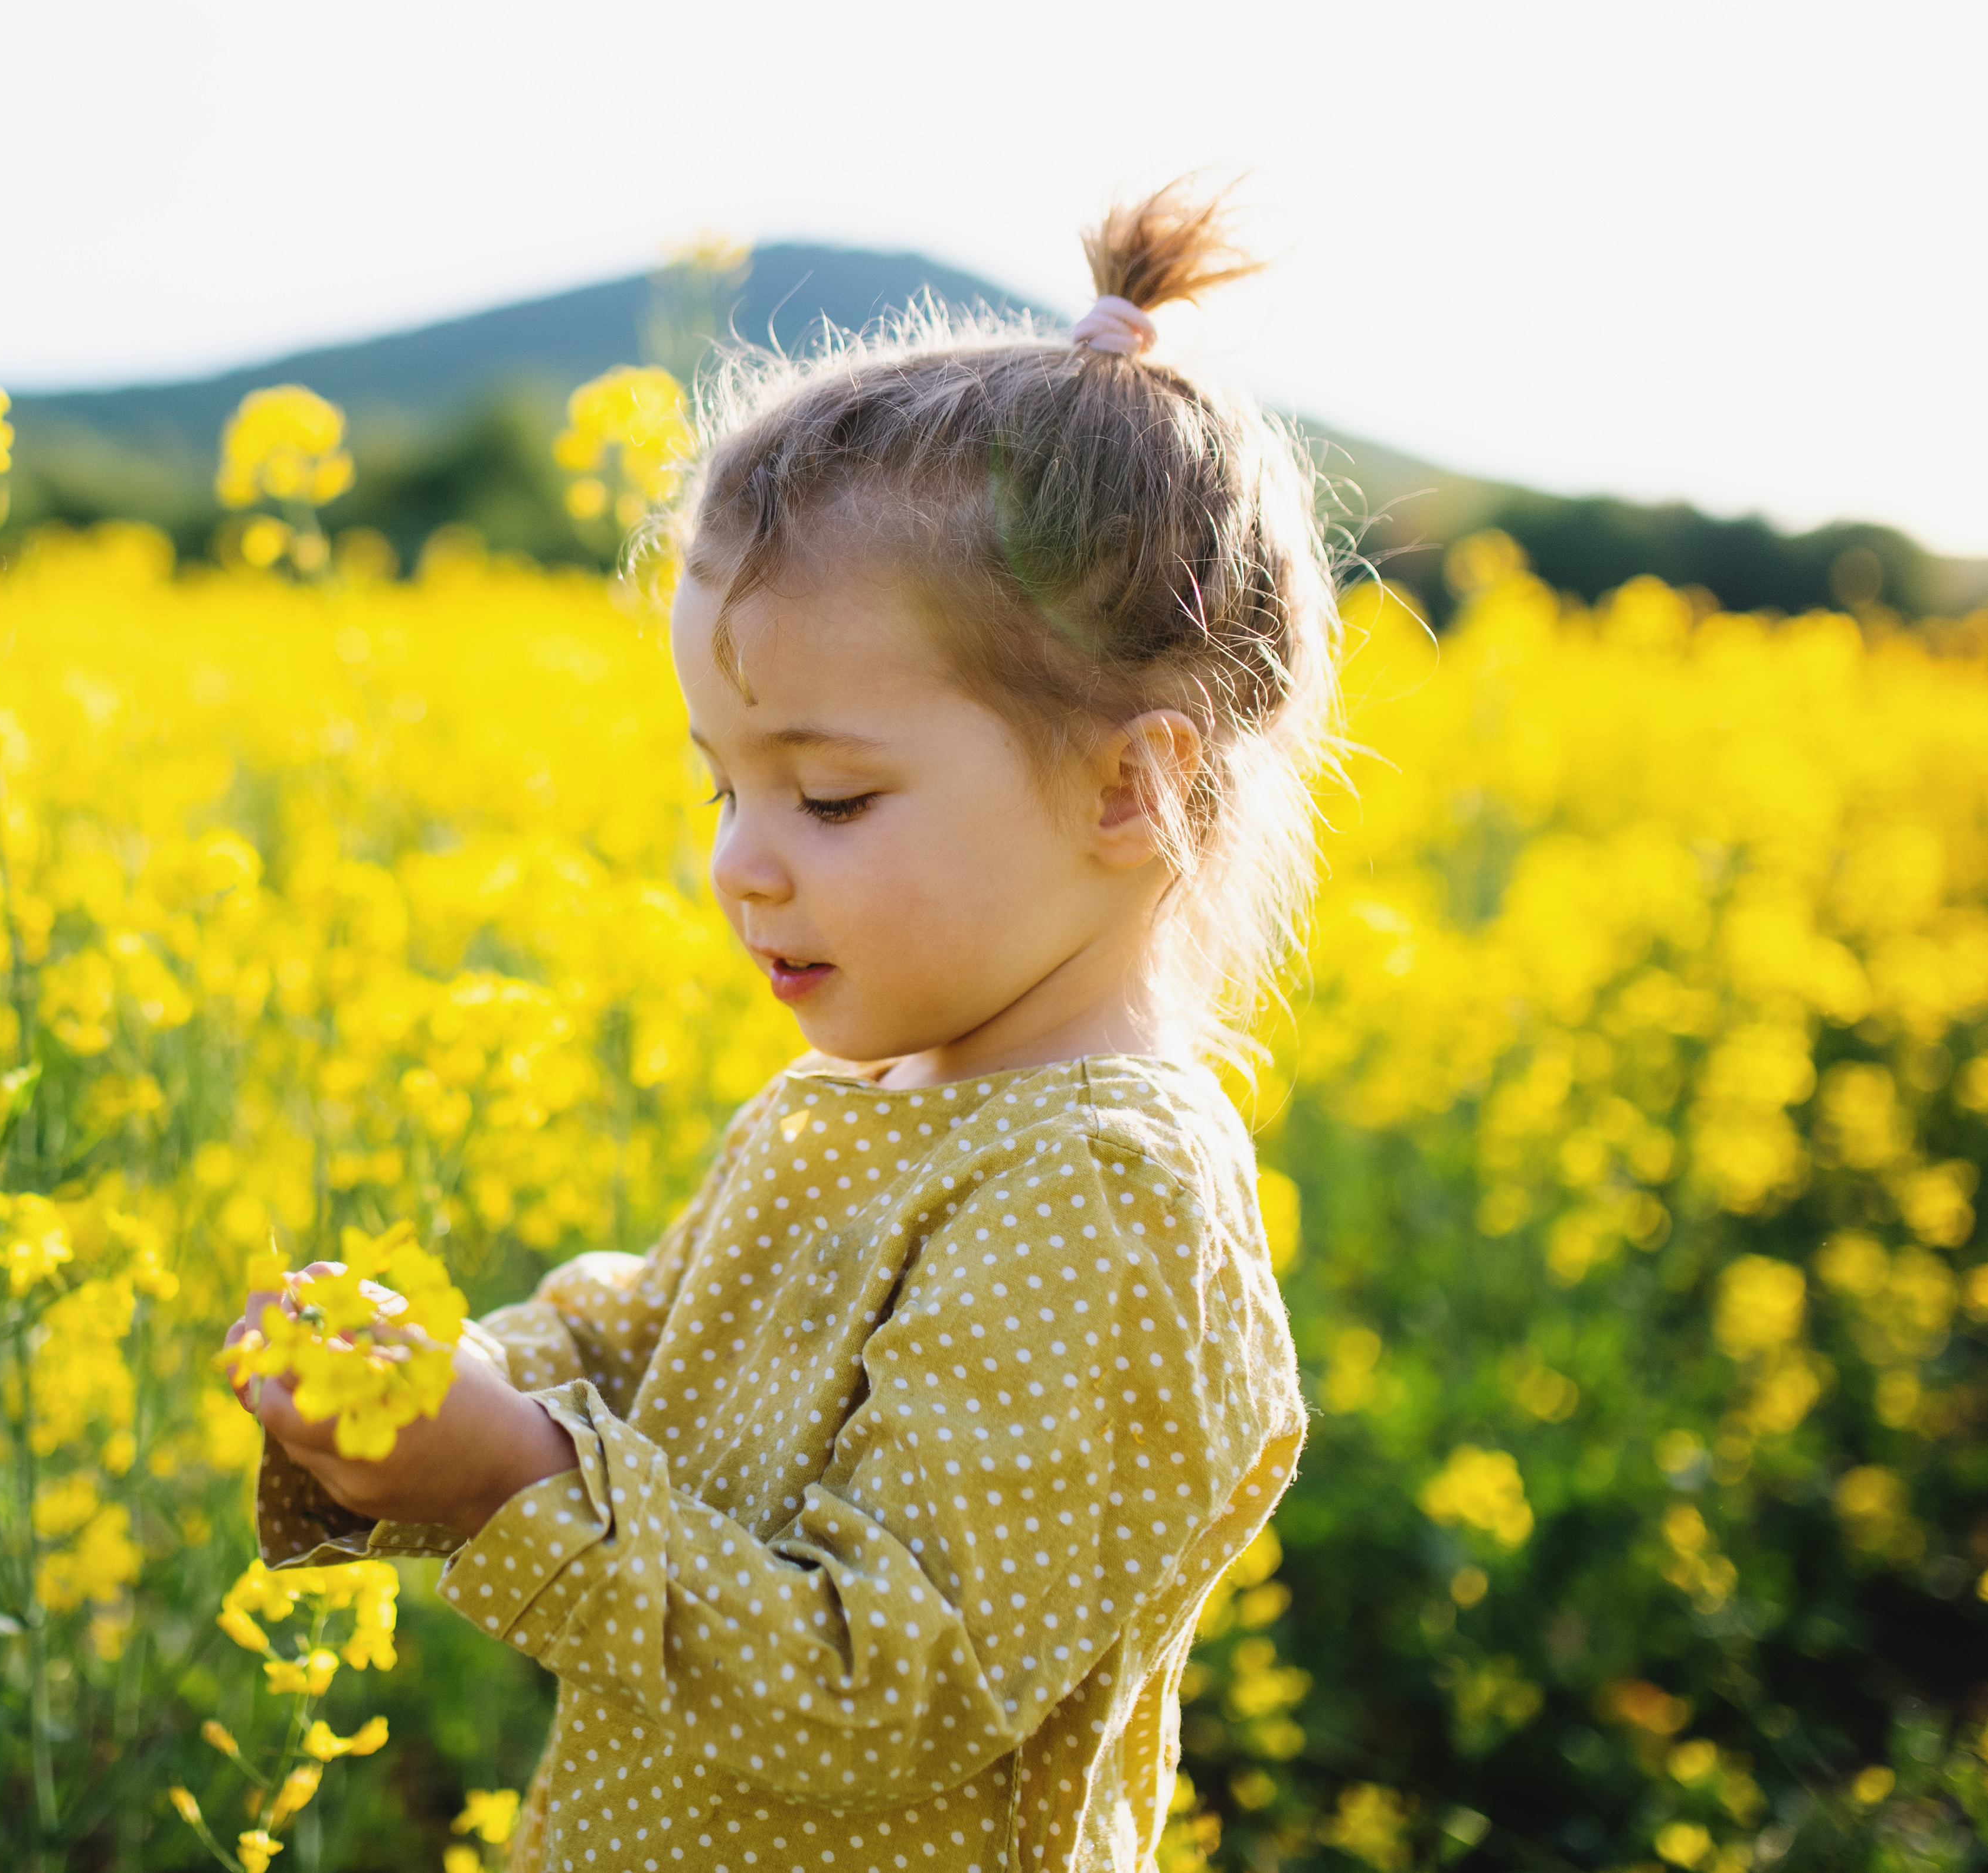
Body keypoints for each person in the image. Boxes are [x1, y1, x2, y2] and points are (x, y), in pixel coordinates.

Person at [227, 182, 1329, 1872]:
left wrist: (503, 1479)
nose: (737, 864)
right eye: (723, 785)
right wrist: (444, 1386)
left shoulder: (1100, 1195)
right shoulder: (878, 1101)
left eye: (826, 795)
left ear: (1130, 786)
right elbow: (649, 1340)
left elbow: (875, 1686)